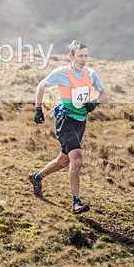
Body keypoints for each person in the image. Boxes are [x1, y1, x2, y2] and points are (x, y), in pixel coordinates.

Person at [28, 40, 108, 214]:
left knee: (64, 161)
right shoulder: (62, 73)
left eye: (86, 55)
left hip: (81, 122)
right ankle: (76, 202)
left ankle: (36, 177)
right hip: (65, 120)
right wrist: (38, 109)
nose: (83, 59)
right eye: (80, 56)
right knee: (77, 159)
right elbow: (42, 85)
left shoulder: (91, 73)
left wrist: (94, 104)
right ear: (71, 57)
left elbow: (104, 93)